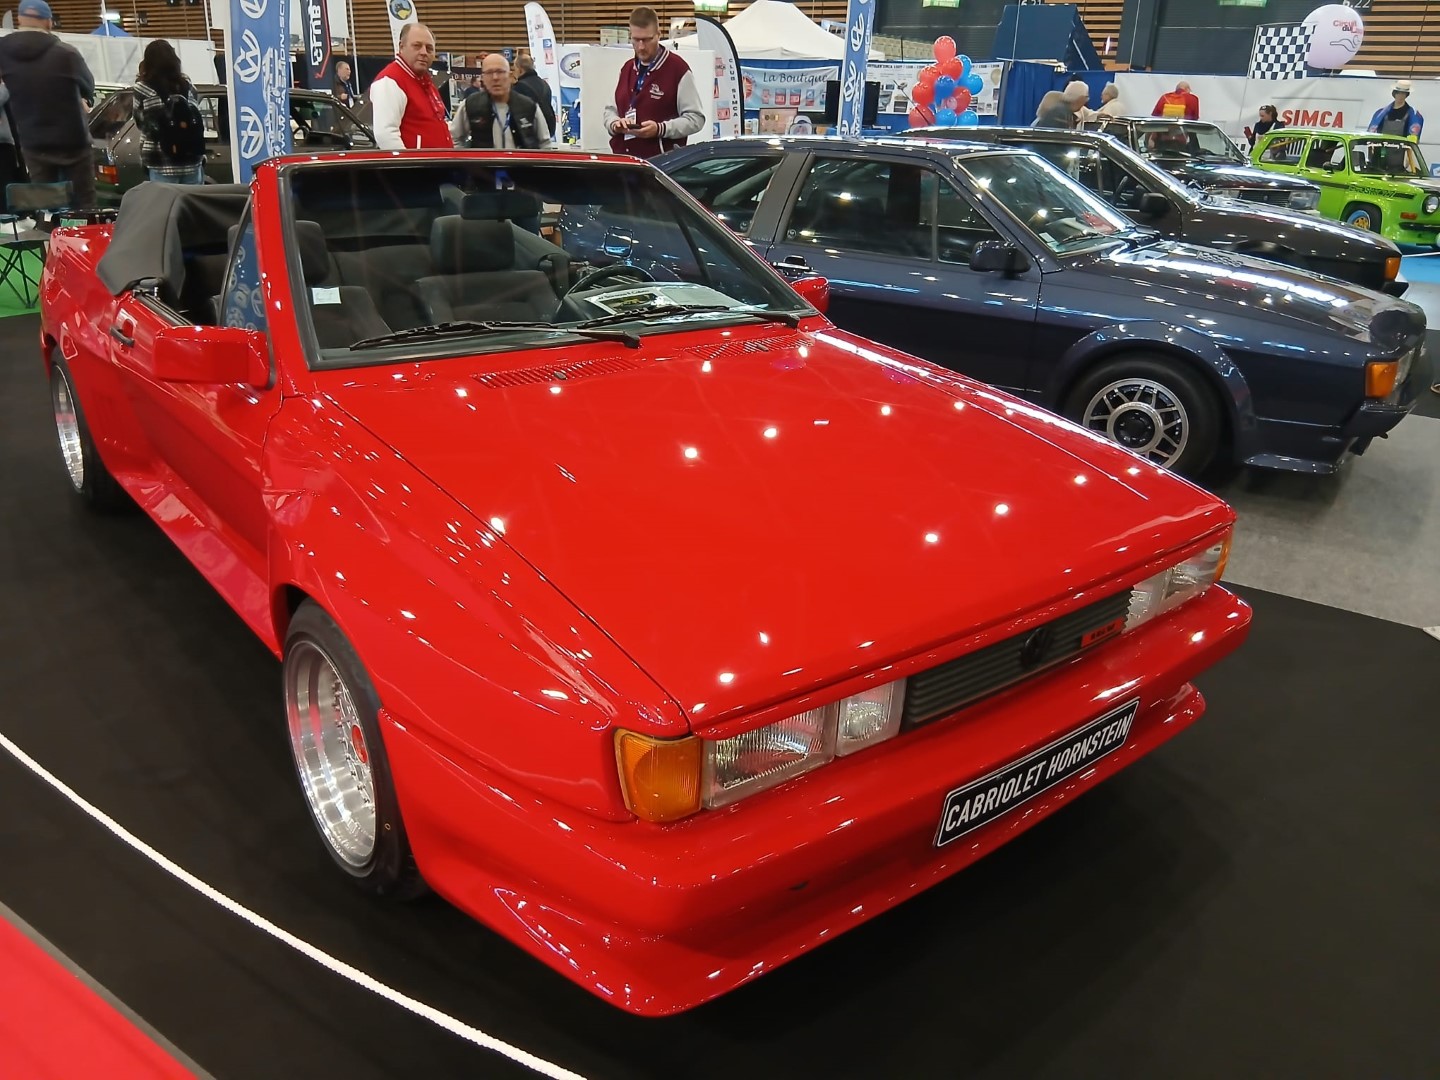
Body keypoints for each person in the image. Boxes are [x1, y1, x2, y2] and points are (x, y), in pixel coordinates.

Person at [0, 0, 96, 208]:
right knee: (84, 205)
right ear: (48, 22)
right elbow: (89, 87)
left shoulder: (3, 50)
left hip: (33, 142)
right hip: (73, 142)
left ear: (19, 19)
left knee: (45, 207)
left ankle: (47, 227)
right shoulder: (67, 53)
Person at [602, 6, 704, 160]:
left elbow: (696, 118)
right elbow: (610, 110)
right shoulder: (627, 68)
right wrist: (615, 124)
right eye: (636, 40)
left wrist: (660, 129)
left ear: (658, 35)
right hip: (624, 160)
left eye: (647, 40)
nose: (641, 47)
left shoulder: (678, 69)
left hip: (661, 164)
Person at [369, 24, 453, 150]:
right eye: (417, 46)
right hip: (419, 163)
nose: (424, 52)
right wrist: (407, 163)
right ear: (401, 47)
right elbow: (386, 135)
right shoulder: (390, 80)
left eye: (429, 48)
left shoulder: (424, 80)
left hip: (438, 161)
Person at [450, 52, 552, 149]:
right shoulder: (470, 105)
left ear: (510, 76)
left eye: (500, 72)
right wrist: (466, 160)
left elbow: (545, 144)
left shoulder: (529, 106)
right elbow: (454, 139)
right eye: (489, 72)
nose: (495, 77)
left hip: (521, 162)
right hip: (483, 162)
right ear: (483, 78)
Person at [511, 54, 557, 139]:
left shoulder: (519, 87)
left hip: (530, 131)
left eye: (515, 69)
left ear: (520, 69)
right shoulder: (544, 84)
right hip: (549, 128)